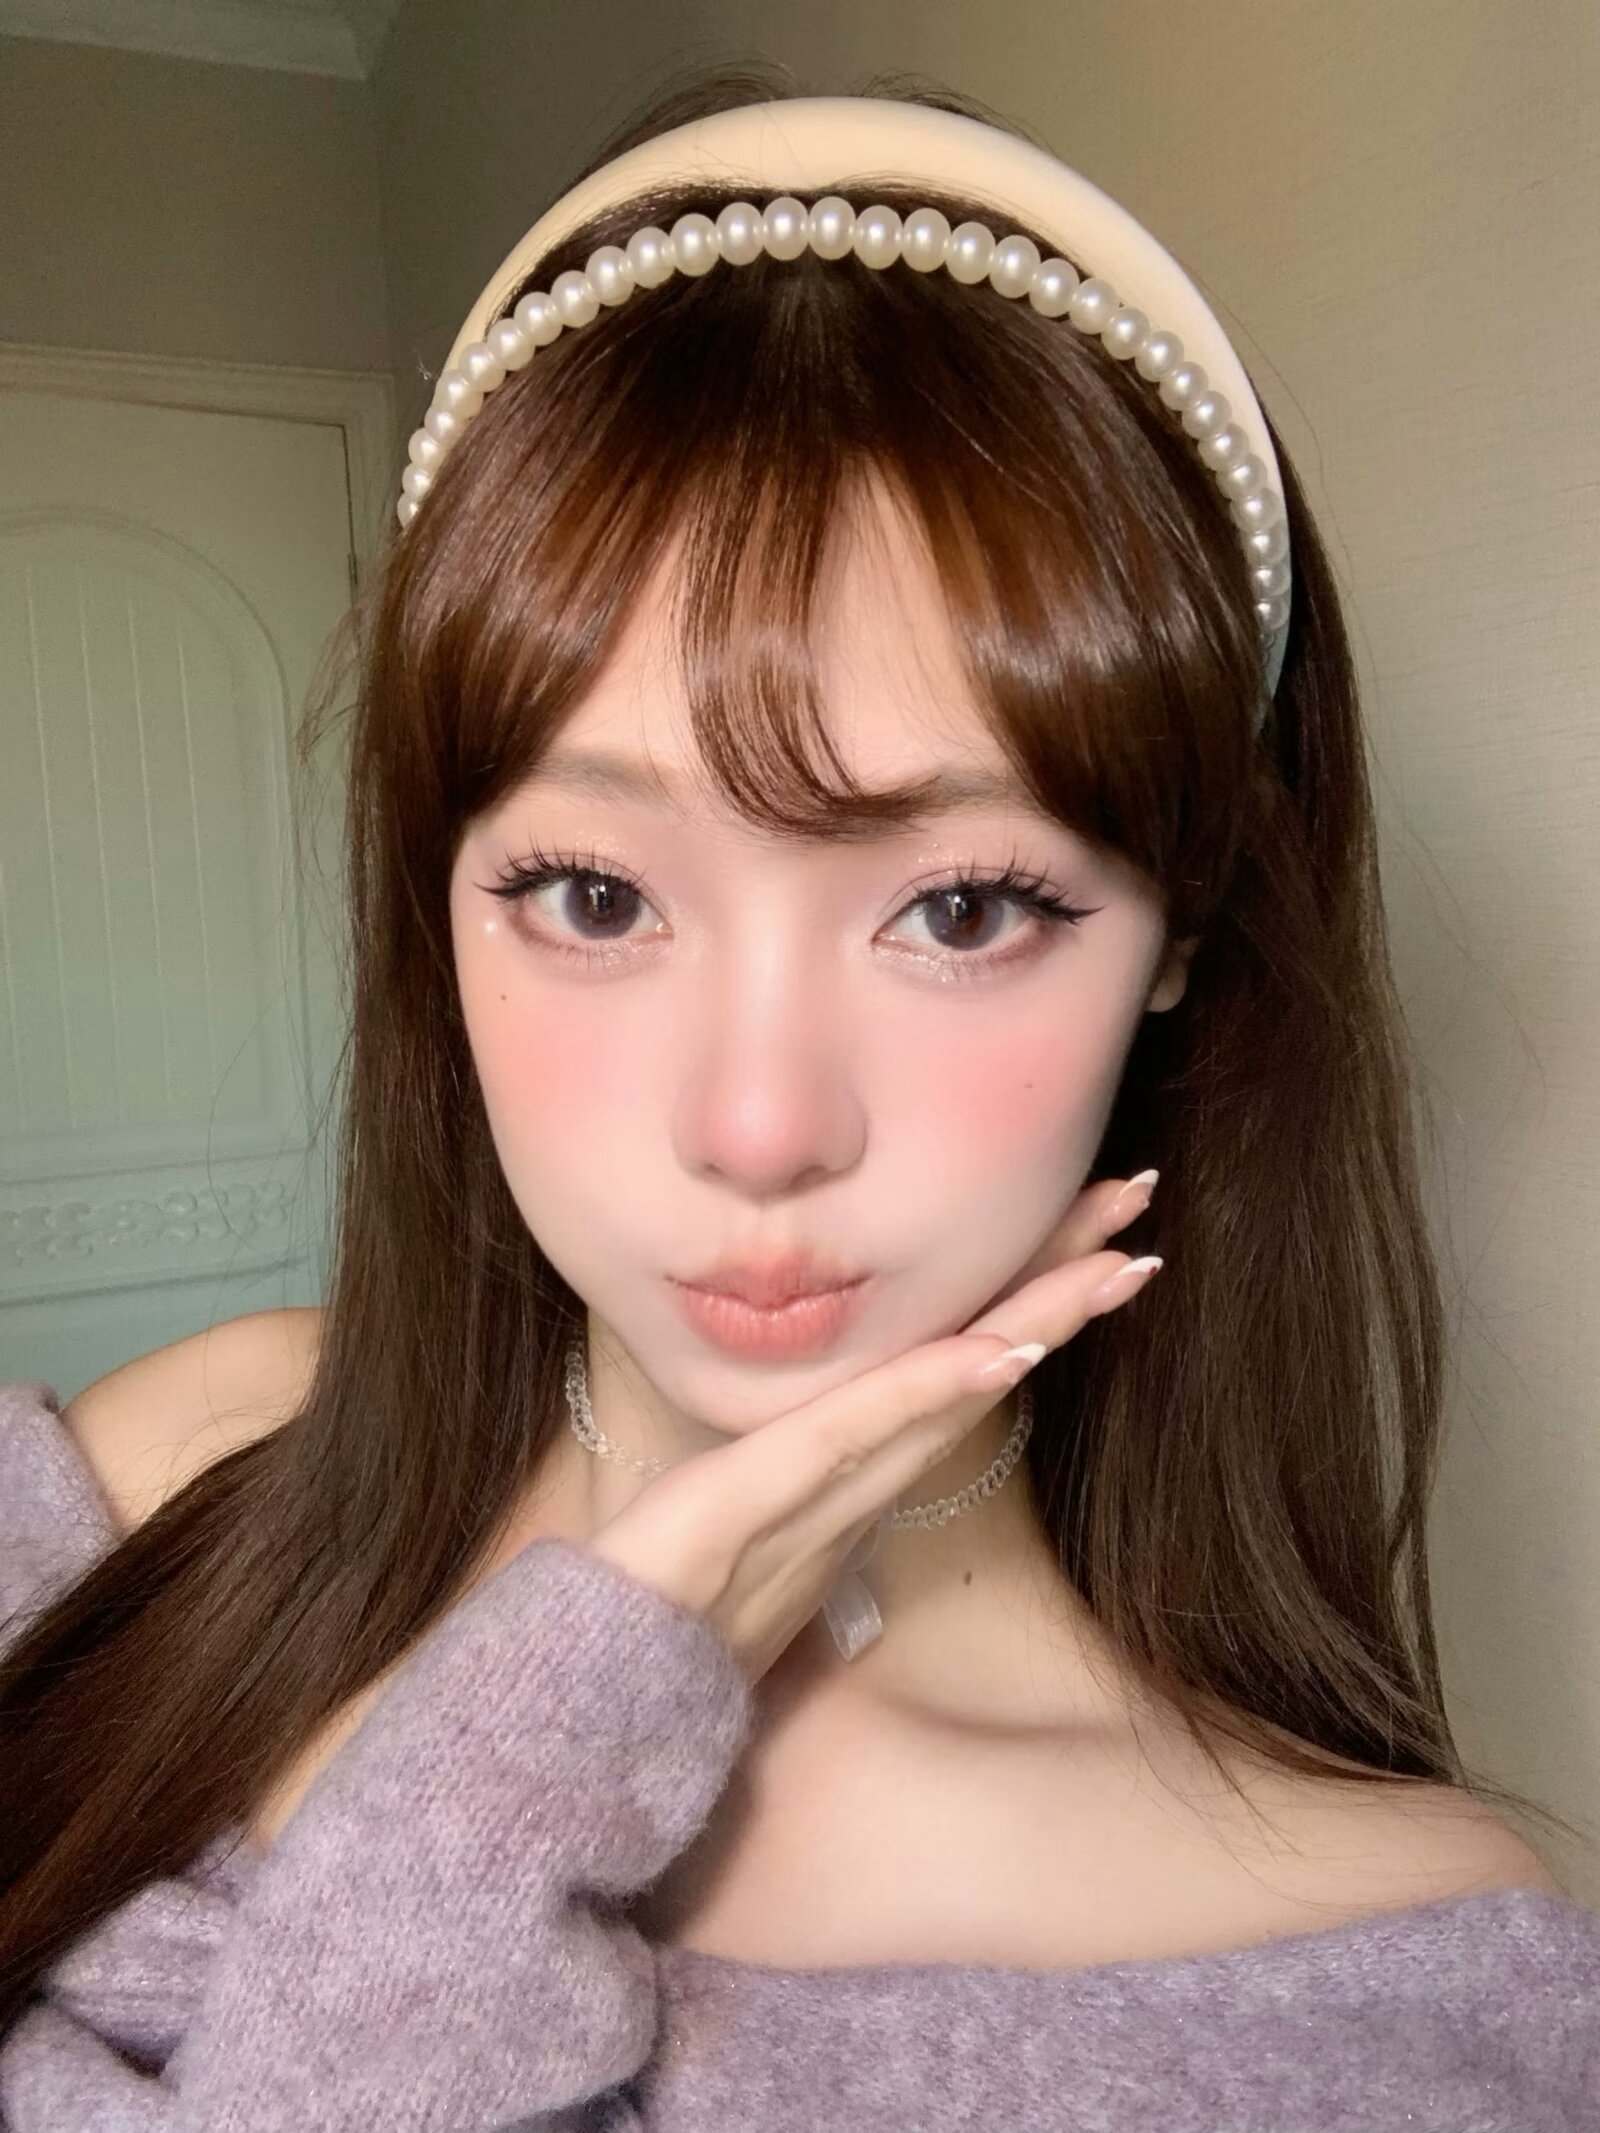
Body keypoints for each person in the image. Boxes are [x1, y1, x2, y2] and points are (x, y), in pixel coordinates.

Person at [1, 67, 1596, 2133]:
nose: (758, 1128)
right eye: (593, 895)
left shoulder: (1389, 1997)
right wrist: (555, 1729)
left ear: (1179, 931)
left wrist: (522, 1776)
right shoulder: (163, 1469)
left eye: (961, 908)